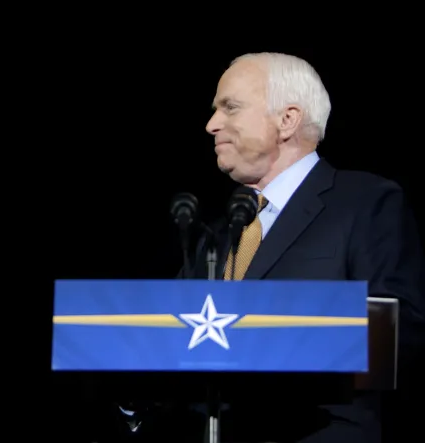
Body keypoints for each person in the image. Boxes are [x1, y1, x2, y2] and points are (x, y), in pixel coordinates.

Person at [99, 52, 425, 442]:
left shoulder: (365, 202)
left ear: (287, 119)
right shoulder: (214, 236)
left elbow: (396, 333)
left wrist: (264, 333)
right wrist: (133, 392)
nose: (211, 124)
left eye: (230, 108)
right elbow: (172, 344)